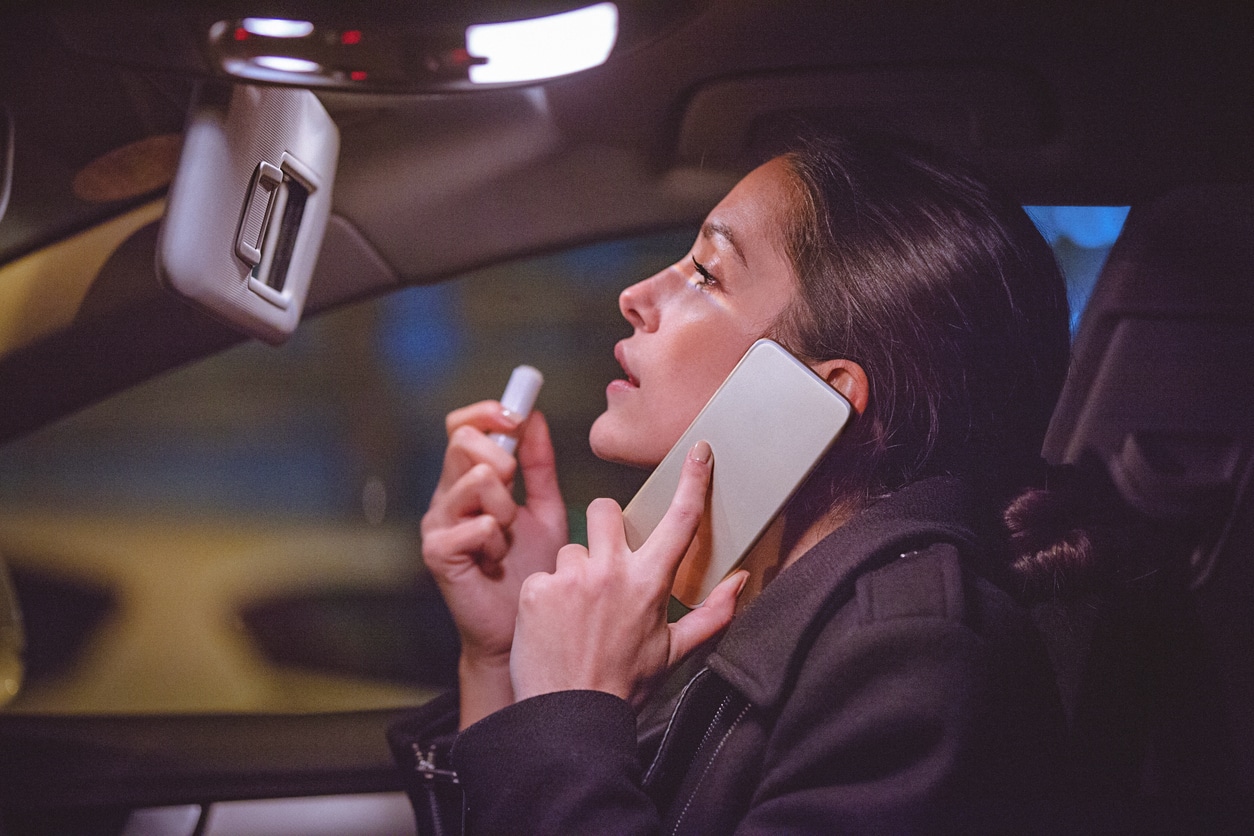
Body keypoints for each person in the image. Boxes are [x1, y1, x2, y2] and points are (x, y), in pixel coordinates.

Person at [389, 133, 1080, 834]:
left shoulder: (916, 659)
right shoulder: (746, 616)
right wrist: (506, 654)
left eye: (706, 274)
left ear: (821, 390)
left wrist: (568, 709)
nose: (634, 296)